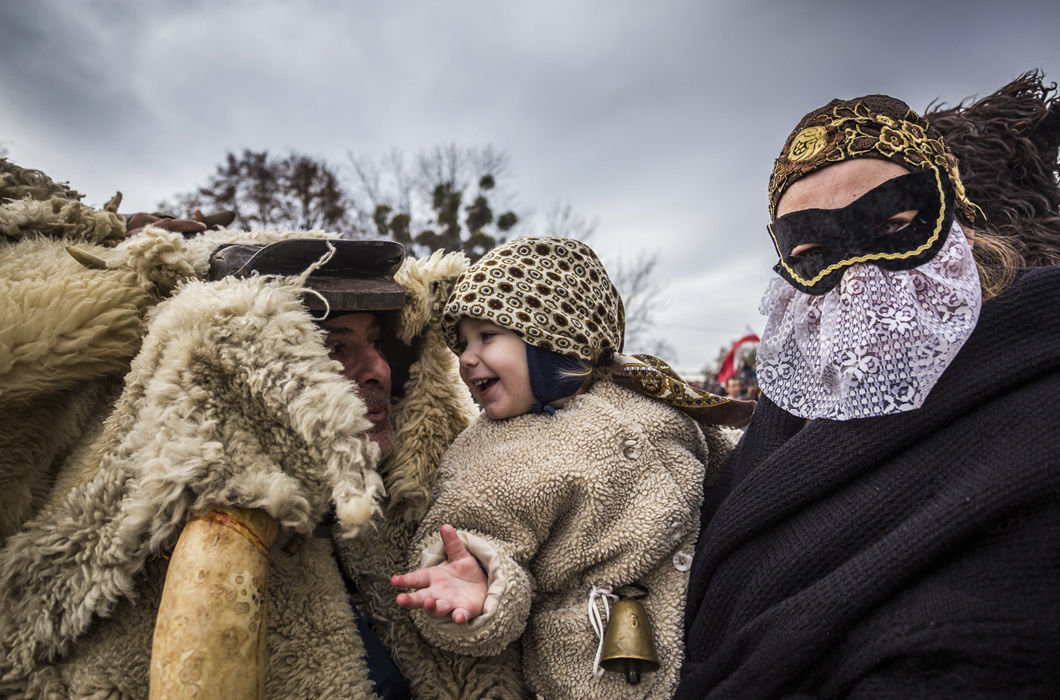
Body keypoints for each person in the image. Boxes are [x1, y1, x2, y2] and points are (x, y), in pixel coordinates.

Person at [0, 183, 524, 698]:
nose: (379, 371)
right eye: (336, 346)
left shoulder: (435, 500)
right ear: (251, 364)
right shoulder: (145, 572)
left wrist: (487, 601)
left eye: (376, 342)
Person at [679, 93, 1060, 698]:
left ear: (955, 220)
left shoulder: (1039, 390)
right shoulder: (782, 417)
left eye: (894, 225)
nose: (856, 275)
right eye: (812, 251)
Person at [391, 236, 754, 699]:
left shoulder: (650, 393)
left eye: (487, 335)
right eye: (462, 342)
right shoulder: (487, 452)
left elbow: (731, 467)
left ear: (552, 334)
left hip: (718, 629)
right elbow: (474, 541)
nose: (465, 357)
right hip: (598, 669)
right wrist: (478, 590)